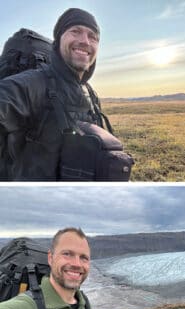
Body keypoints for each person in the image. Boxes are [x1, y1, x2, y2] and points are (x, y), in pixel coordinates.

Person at [0, 8, 109, 180]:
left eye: (92, 36)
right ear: (58, 41)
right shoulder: (31, 85)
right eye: (75, 31)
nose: (85, 41)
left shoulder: (90, 93)